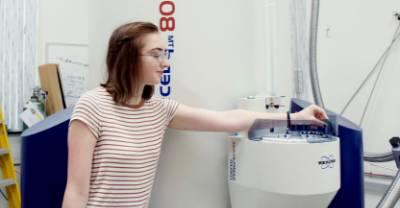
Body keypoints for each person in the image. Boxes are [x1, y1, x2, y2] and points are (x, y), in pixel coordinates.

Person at [62, 21, 328, 208]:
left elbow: (229, 120)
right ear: (128, 57)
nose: (165, 63)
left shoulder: (159, 110)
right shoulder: (92, 105)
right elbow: (76, 190)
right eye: (156, 55)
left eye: (165, 54)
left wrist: (297, 117)